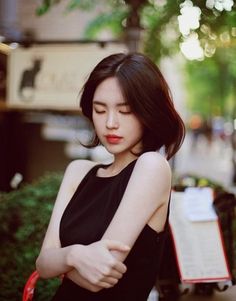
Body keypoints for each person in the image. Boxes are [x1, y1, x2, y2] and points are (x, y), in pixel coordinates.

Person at [36, 52, 185, 301]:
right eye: (100, 110)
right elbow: (42, 264)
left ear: (149, 112)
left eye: (125, 111)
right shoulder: (78, 171)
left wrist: (60, 261)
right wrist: (74, 256)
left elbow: (98, 278)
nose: (110, 123)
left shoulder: (152, 167)